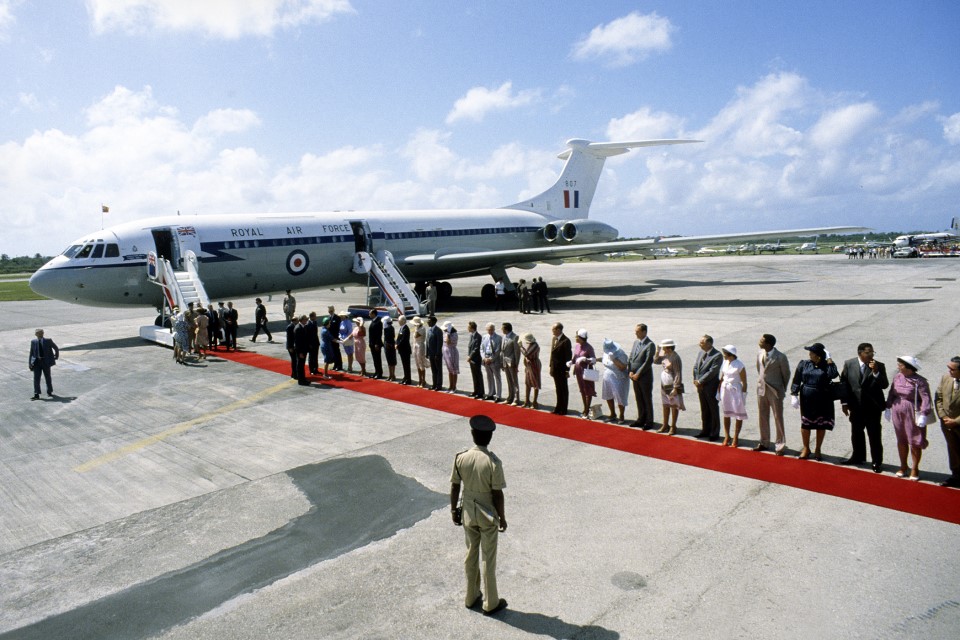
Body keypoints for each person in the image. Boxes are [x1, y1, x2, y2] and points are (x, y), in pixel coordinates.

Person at [450, 415, 508, 616]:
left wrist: (453, 510)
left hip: (468, 512)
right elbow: (497, 494)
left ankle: (471, 595)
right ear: (489, 437)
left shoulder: (461, 458)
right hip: (487, 514)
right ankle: (490, 602)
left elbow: (455, 486)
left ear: (472, 434)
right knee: (488, 559)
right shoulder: (493, 463)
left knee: (471, 554)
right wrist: (502, 517)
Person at [839, 342, 889, 472]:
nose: (871, 355)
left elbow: (884, 385)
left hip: (873, 408)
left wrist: (876, 372)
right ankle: (858, 457)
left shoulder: (879, 366)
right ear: (860, 353)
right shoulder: (849, 364)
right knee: (856, 433)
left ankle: (876, 461)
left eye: (872, 352)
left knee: (874, 435)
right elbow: (844, 383)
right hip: (856, 407)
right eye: (868, 352)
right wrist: (844, 403)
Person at [885, 356, 933, 480]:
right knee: (901, 439)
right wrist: (888, 406)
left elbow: (926, 398)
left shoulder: (920, 381)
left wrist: (924, 414)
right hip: (898, 410)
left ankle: (915, 468)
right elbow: (892, 392)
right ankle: (903, 466)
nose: (898, 367)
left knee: (915, 440)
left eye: (900, 365)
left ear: (909, 368)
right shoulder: (898, 377)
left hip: (912, 411)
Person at [789, 342, 839, 461]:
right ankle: (806, 448)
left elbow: (833, 374)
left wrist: (829, 359)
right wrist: (794, 394)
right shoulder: (804, 364)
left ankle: (818, 449)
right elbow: (797, 379)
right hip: (807, 398)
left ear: (818, 355)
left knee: (820, 424)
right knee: (806, 424)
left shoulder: (827, 366)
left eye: (811, 353)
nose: (809, 354)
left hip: (823, 398)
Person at [755, 334, 791, 455]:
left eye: (762, 341)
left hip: (775, 391)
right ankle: (764, 442)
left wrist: (781, 389)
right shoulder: (760, 354)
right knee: (762, 416)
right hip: (762, 389)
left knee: (778, 417)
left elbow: (786, 374)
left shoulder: (780, 357)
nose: (759, 342)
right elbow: (759, 370)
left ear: (768, 344)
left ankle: (780, 445)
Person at [934, 356, 960, 487]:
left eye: (952, 369)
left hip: (957, 423)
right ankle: (956, 476)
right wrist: (943, 416)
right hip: (947, 423)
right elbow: (938, 398)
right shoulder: (946, 378)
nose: (949, 371)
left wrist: (956, 421)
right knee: (953, 450)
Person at [692, 335, 722, 440]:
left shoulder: (717, 355)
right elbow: (696, 367)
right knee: (704, 409)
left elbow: (712, 371)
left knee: (713, 409)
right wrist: (696, 379)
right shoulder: (701, 353)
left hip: (710, 386)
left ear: (709, 343)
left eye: (702, 342)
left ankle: (714, 432)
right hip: (700, 386)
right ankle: (705, 430)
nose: (699, 344)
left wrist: (700, 381)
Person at [628, 323, 656, 429]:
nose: (635, 333)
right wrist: (630, 371)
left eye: (638, 331)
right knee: (639, 398)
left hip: (644, 377)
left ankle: (649, 421)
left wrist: (638, 373)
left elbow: (648, 362)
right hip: (634, 376)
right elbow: (631, 356)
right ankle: (641, 419)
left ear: (644, 332)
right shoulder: (636, 342)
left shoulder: (650, 345)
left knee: (646, 399)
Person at [718, 345, 748, 447]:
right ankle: (727, 436)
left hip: (735, 390)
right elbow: (722, 377)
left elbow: (744, 382)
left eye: (725, 353)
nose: (723, 355)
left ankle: (736, 437)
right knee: (726, 413)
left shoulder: (740, 365)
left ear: (730, 354)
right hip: (725, 389)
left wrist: (743, 395)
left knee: (738, 414)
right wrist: (718, 391)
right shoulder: (725, 362)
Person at [653, 339, 684, 434]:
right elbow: (656, 361)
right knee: (665, 404)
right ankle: (665, 424)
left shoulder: (675, 358)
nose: (662, 349)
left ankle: (673, 426)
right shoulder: (665, 355)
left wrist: (676, 387)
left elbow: (678, 373)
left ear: (669, 348)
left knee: (674, 405)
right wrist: (657, 351)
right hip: (664, 382)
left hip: (672, 382)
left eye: (664, 348)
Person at [600, 339, 629, 423]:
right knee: (608, 395)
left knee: (620, 397)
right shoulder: (606, 352)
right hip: (607, 377)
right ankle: (612, 413)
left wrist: (614, 359)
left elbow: (623, 367)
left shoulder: (621, 354)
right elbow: (604, 360)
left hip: (618, 378)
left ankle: (621, 415)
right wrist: (595, 360)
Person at [572, 329, 597, 419]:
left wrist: (585, 359)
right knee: (582, 390)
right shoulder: (577, 346)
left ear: (581, 337)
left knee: (588, 391)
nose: (575, 338)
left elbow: (594, 360)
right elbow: (575, 357)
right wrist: (571, 363)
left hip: (586, 371)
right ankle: (585, 407)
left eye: (576, 336)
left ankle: (586, 410)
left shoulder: (589, 347)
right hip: (578, 371)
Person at [28, 328, 59, 400]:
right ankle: (36, 394)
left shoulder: (48, 341)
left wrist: (56, 356)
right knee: (36, 378)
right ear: (36, 334)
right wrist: (30, 363)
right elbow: (31, 353)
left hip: (45, 362)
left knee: (48, 377)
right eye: (38, 333)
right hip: (37, 362)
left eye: (41, 333)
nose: (40, 334)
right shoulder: (33, 342)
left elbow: (56, 348)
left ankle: (49, 391)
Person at [550, 323, 572, 415]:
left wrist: (567, 370)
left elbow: (568, 356)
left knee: (563, 389)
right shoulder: (554, 339)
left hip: (562, 369)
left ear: (559, 330)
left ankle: (564, 408)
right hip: (555, 368)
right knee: (558, 389)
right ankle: (558, 407)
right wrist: (551, 367)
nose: (552, 331)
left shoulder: (566, 341)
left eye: (553, 329)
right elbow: (552, 354)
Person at [481, 323, 503, 401]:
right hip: (486, 359)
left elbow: (498, 350)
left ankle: (498, 395)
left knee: (497, 378)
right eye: (489, 330)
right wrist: (484, 358)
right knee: (489, 377)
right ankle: (491, 393)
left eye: (491, 329)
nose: (490, 331)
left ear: (494, 329)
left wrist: (491, 359)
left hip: (494, 360)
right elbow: (481, 348)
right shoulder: (484, 337)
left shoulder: (499, 338)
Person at [500, 322, 521, 406]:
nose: (501, 329)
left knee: (514, 381)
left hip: (512, 363)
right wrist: (501, 362)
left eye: (502, 328)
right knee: (509, 380)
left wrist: (516, 364)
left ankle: (516, 398)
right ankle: (510, 397)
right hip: (505, 362)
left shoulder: (515, 337)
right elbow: (502, 351)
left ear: (506, 329)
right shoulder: (504, 337)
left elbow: (517, 352)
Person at [467, 321, 485, 399]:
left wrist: (470, 356)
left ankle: (481, 392)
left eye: (468, 327)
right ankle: (476, 390)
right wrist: (469, 355)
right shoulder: (471, 335)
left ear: (472, 328)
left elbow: (476, 348)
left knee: (478, 375)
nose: (467, 328)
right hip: (471, 359)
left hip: (476, 359)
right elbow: (470, 347)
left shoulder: (478, 337)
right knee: (474, 375)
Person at [426, 316, 444, 391]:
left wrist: (437, 354)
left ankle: (439, 385)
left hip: (436, 354)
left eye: (429, 321)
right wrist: (427, 353)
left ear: (434, 322)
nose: (428, 322)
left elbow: (439, 343)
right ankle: (434, 384)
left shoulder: (438, 331)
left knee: (438, 370)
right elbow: (427, 342)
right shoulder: (429, 330)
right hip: (431, 354)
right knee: (433, 370)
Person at [293, 315, 311, 385]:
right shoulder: (298, 328)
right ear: (302, 320)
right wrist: (300, 352)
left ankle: (303, 378)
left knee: (302, 365)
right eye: (305, 319)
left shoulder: (303, 327)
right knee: (300, 365)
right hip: (300, 351)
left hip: (304, 350)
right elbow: (297, 342)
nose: (306, 320)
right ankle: (301, 380)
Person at [443, 321, 460, 392]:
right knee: (450, 370)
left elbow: (448, 342)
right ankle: (450, 386)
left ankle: (454, 387)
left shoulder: (454, 334)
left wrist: (448, 334)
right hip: (446, 352)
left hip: (452, 352)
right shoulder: (445, 333)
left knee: (454, 370)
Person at [368, 309, 384, 379]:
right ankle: (376, 371)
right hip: (372, 343)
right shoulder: (373, 321)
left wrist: (377, 343)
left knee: (377, 359)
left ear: (374, 314)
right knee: (375, 359)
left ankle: (379, 373)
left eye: (370, 314)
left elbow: (379, 334)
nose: (369, 315)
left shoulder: (378, 322)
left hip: (376, 344)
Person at [396, 315, 412, 385]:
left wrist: (398, 345)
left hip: (405, 350)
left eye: (399, 320)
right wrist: (396, 343)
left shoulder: (406, 329)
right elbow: (398, 338)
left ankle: (408, 379)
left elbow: (404, 339)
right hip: (402, 350)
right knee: (404, 365)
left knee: (406, 365)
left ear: (403, 321)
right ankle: (405, 377)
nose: (398, 322)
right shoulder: (401, 328)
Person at [327, 306, 344, 372]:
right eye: (329, 311)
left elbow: (338, 328)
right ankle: (335, 365)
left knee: (337, 351)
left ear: (333, 310)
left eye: (331, 311)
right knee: (333, 351)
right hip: (330, 338)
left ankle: (339, 365)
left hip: (335, 337)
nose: (330, 312)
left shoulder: (337, 318)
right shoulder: (328, 318)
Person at [412, 316, 427, 387]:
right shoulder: (417, 328)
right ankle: (420, 380)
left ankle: (423, 380)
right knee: (417, 363)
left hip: (420, 346)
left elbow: (416, 335)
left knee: (421, 363)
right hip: (415, 345)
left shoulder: (422, 328)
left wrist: (416, 328)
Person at [383, 317, 397, 381]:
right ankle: (391, 374)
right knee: (390, 361)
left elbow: (389, 338)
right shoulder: (390, 328)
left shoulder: (388, 328)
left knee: (391, 361)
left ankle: (392, 375)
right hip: (389, 345)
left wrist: (388, 344)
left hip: (389, 346)